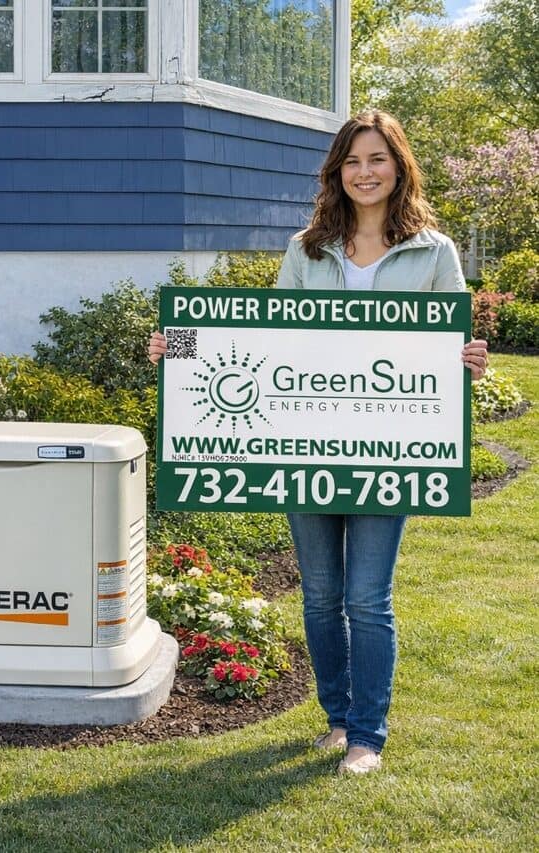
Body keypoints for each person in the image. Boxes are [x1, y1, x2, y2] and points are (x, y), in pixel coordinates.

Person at [148, 110, 488, 775]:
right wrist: (179, 351)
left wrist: (469, 363)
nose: (364, 173)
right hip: (303, 447)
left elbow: (451, 350)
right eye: (351, 162)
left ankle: (368, 735)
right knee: (319, 594)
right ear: (336, 173)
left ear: (398, 167)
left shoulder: (435, 251)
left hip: (389, 450)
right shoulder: (306, 248)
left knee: (367, 597)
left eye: (377, 160)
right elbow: (267, 341)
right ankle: (336, 720)